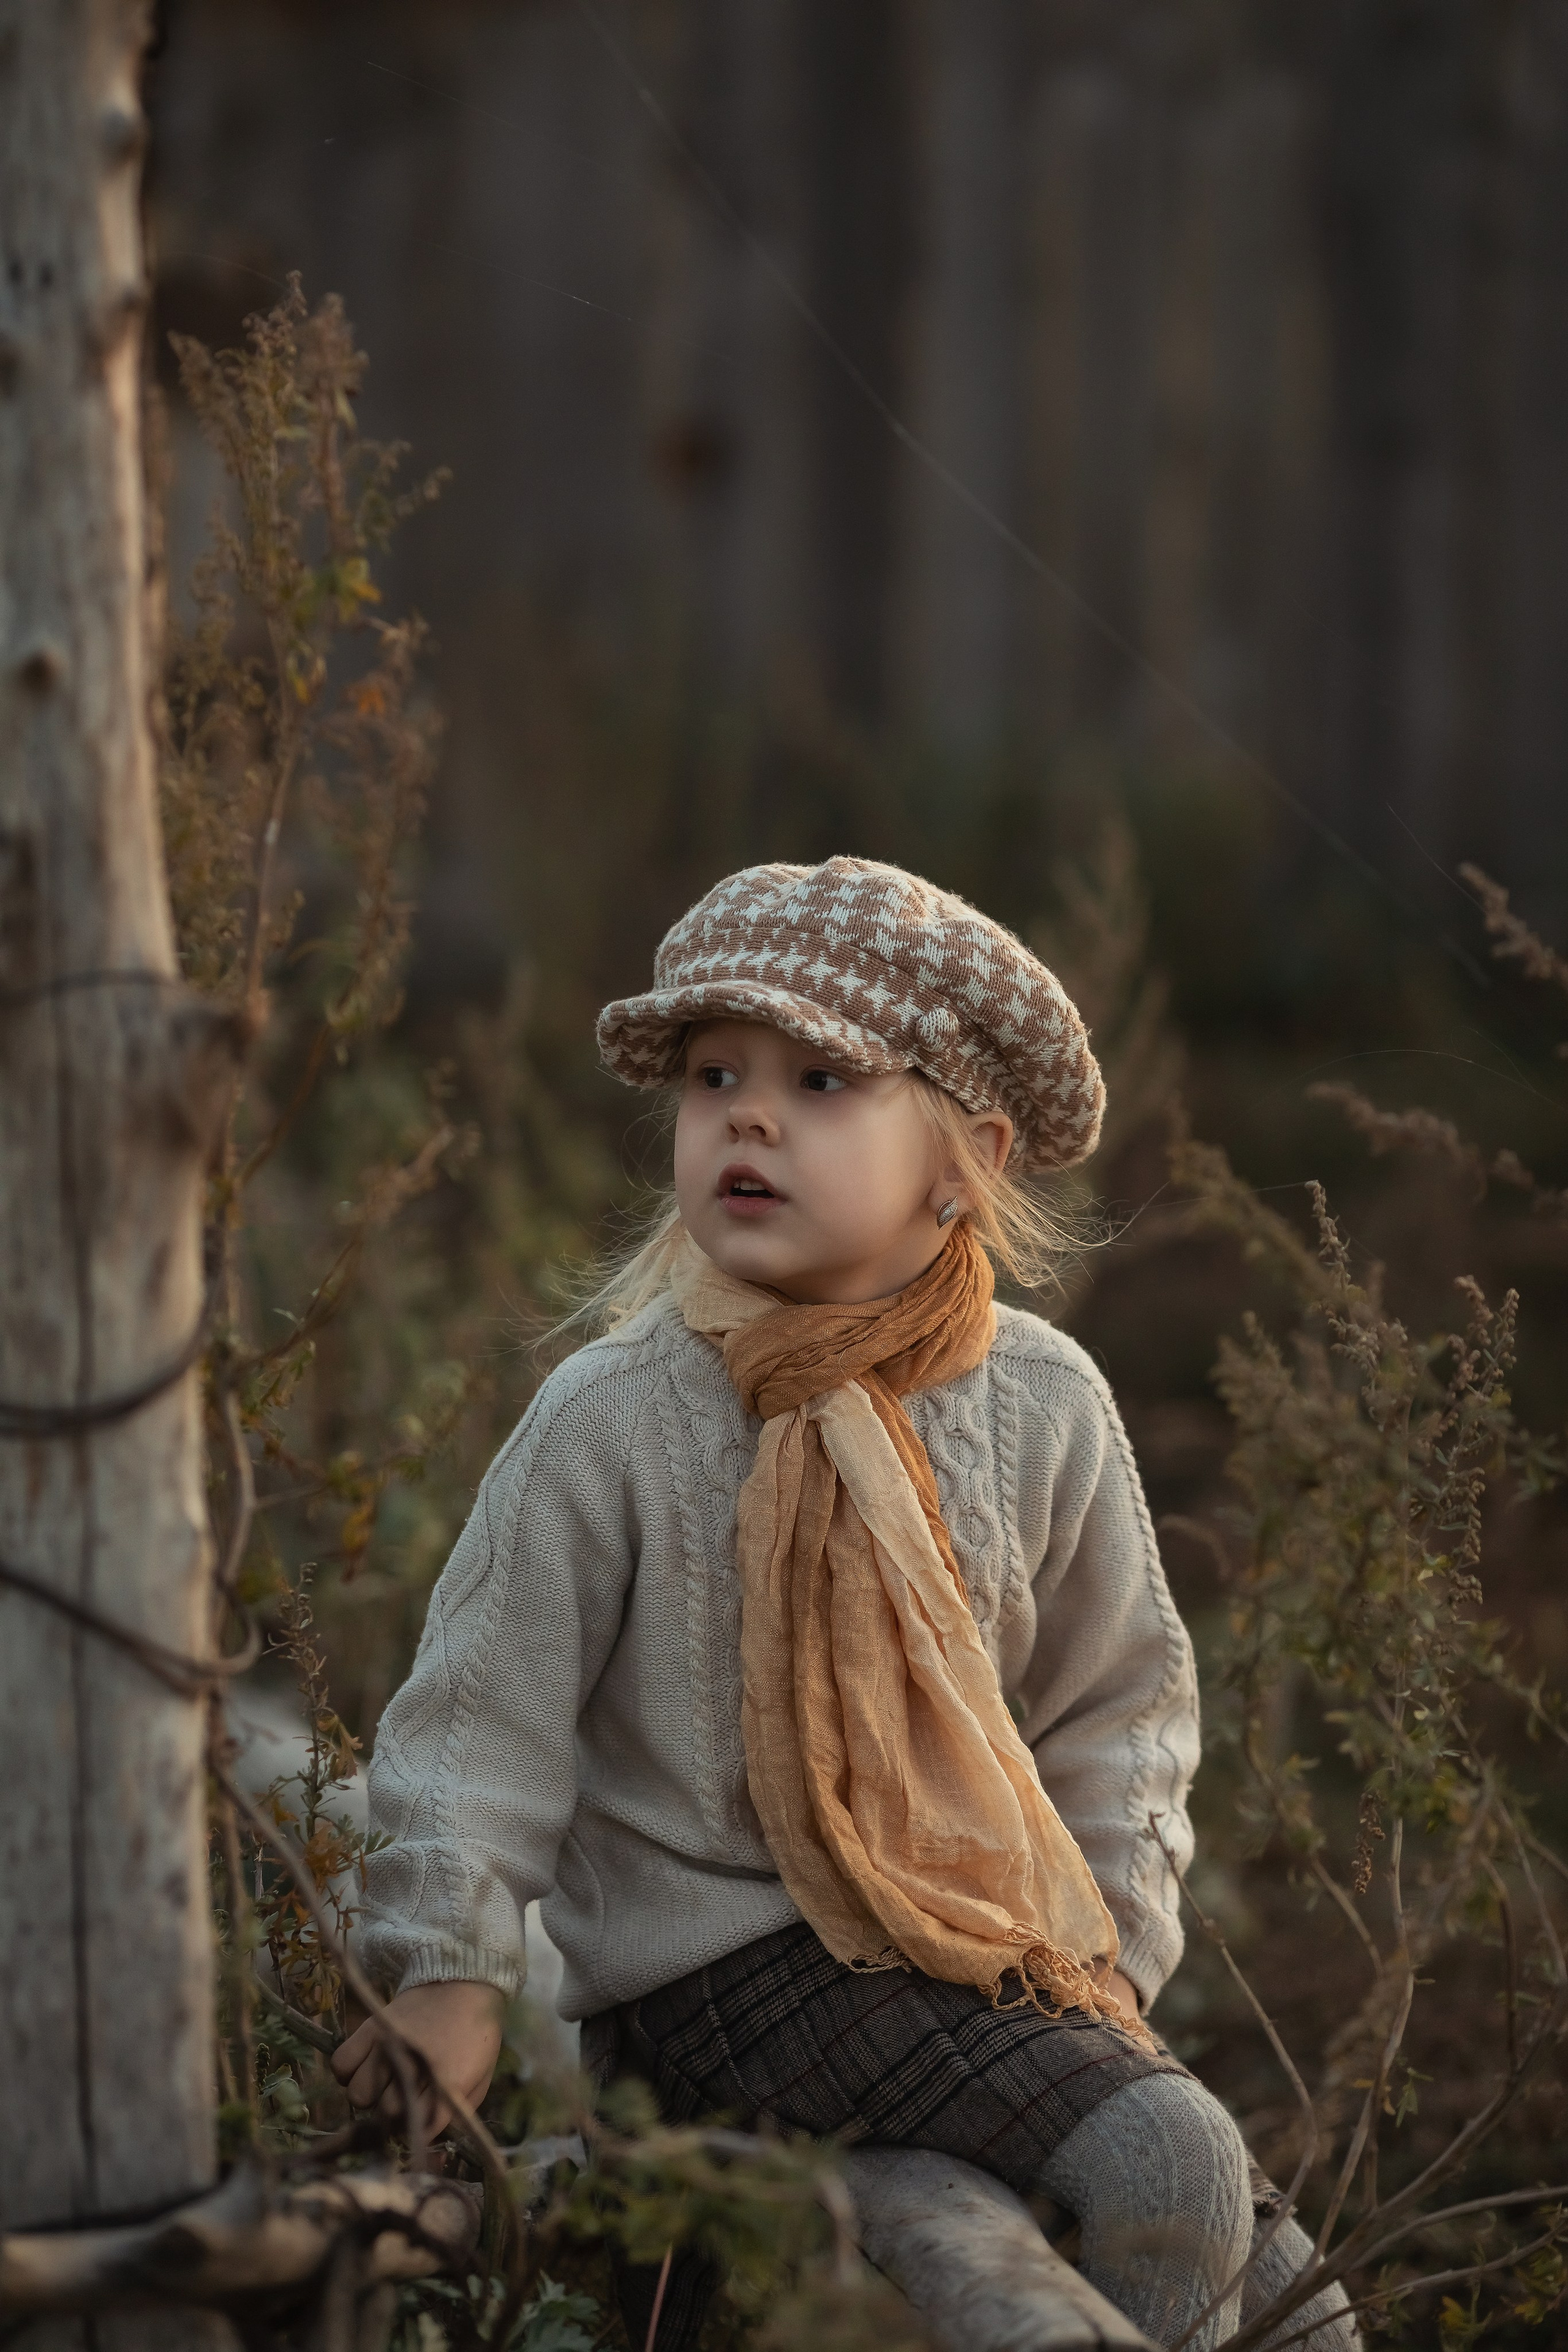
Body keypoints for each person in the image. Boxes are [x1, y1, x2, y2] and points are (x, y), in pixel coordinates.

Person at [333, 858, 1357, 2351]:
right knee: (1169, 2157)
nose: (747, 1114)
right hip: (716, 1983)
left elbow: (1116, 1709)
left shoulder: (1040, 1400)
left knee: (1295, 2305)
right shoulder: (614, 1413)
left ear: (964, 1159)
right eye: (713, 1076)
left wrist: (1097, 1988)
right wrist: (448, 1976)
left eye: (821, 1078)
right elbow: (474, 1727)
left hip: (965, 1961)